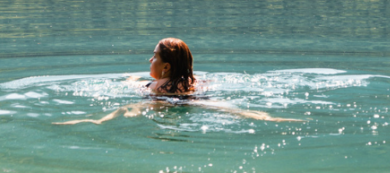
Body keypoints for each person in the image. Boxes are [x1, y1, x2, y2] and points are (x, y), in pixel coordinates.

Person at [55, 38, 298, 125]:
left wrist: (129, 80)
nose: (149, 59)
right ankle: (269, 117)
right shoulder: (191, 82)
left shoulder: (154, 86)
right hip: (197, 100)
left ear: (166, 67)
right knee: (232, 110)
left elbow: (135, 86)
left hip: (162, 103)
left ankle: (96, 121)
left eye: (154, 56)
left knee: (124, 109)